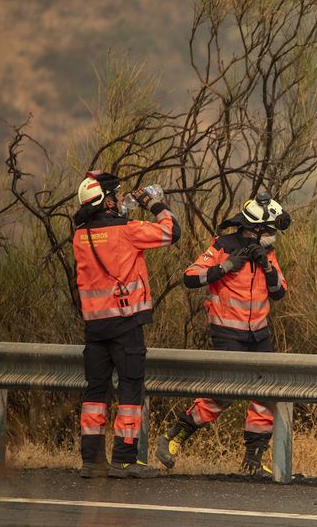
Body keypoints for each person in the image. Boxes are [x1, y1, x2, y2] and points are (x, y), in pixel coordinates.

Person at [156, 192, 290, 477]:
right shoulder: (223, 245)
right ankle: (175, 435)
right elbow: (190, 277)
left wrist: (266, 266)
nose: (272, 237)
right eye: (269, 231)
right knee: (222, 395)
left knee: (264, 396)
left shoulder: (268, 253)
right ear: (255, 230)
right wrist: (225, 267)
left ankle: (252, 463)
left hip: (259, 335)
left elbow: (279, 292)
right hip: (228, 332)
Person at [73, 171, 181, 479]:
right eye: (118, 196)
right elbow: (172, 232)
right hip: (125, 324)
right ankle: (123, 459)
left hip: (95, 327)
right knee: (131, 389)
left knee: (96, 392)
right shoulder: (127, 230)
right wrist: (155, 203)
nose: (122, 200)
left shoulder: (81, 236)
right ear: (107, 202)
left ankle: (92, 460)